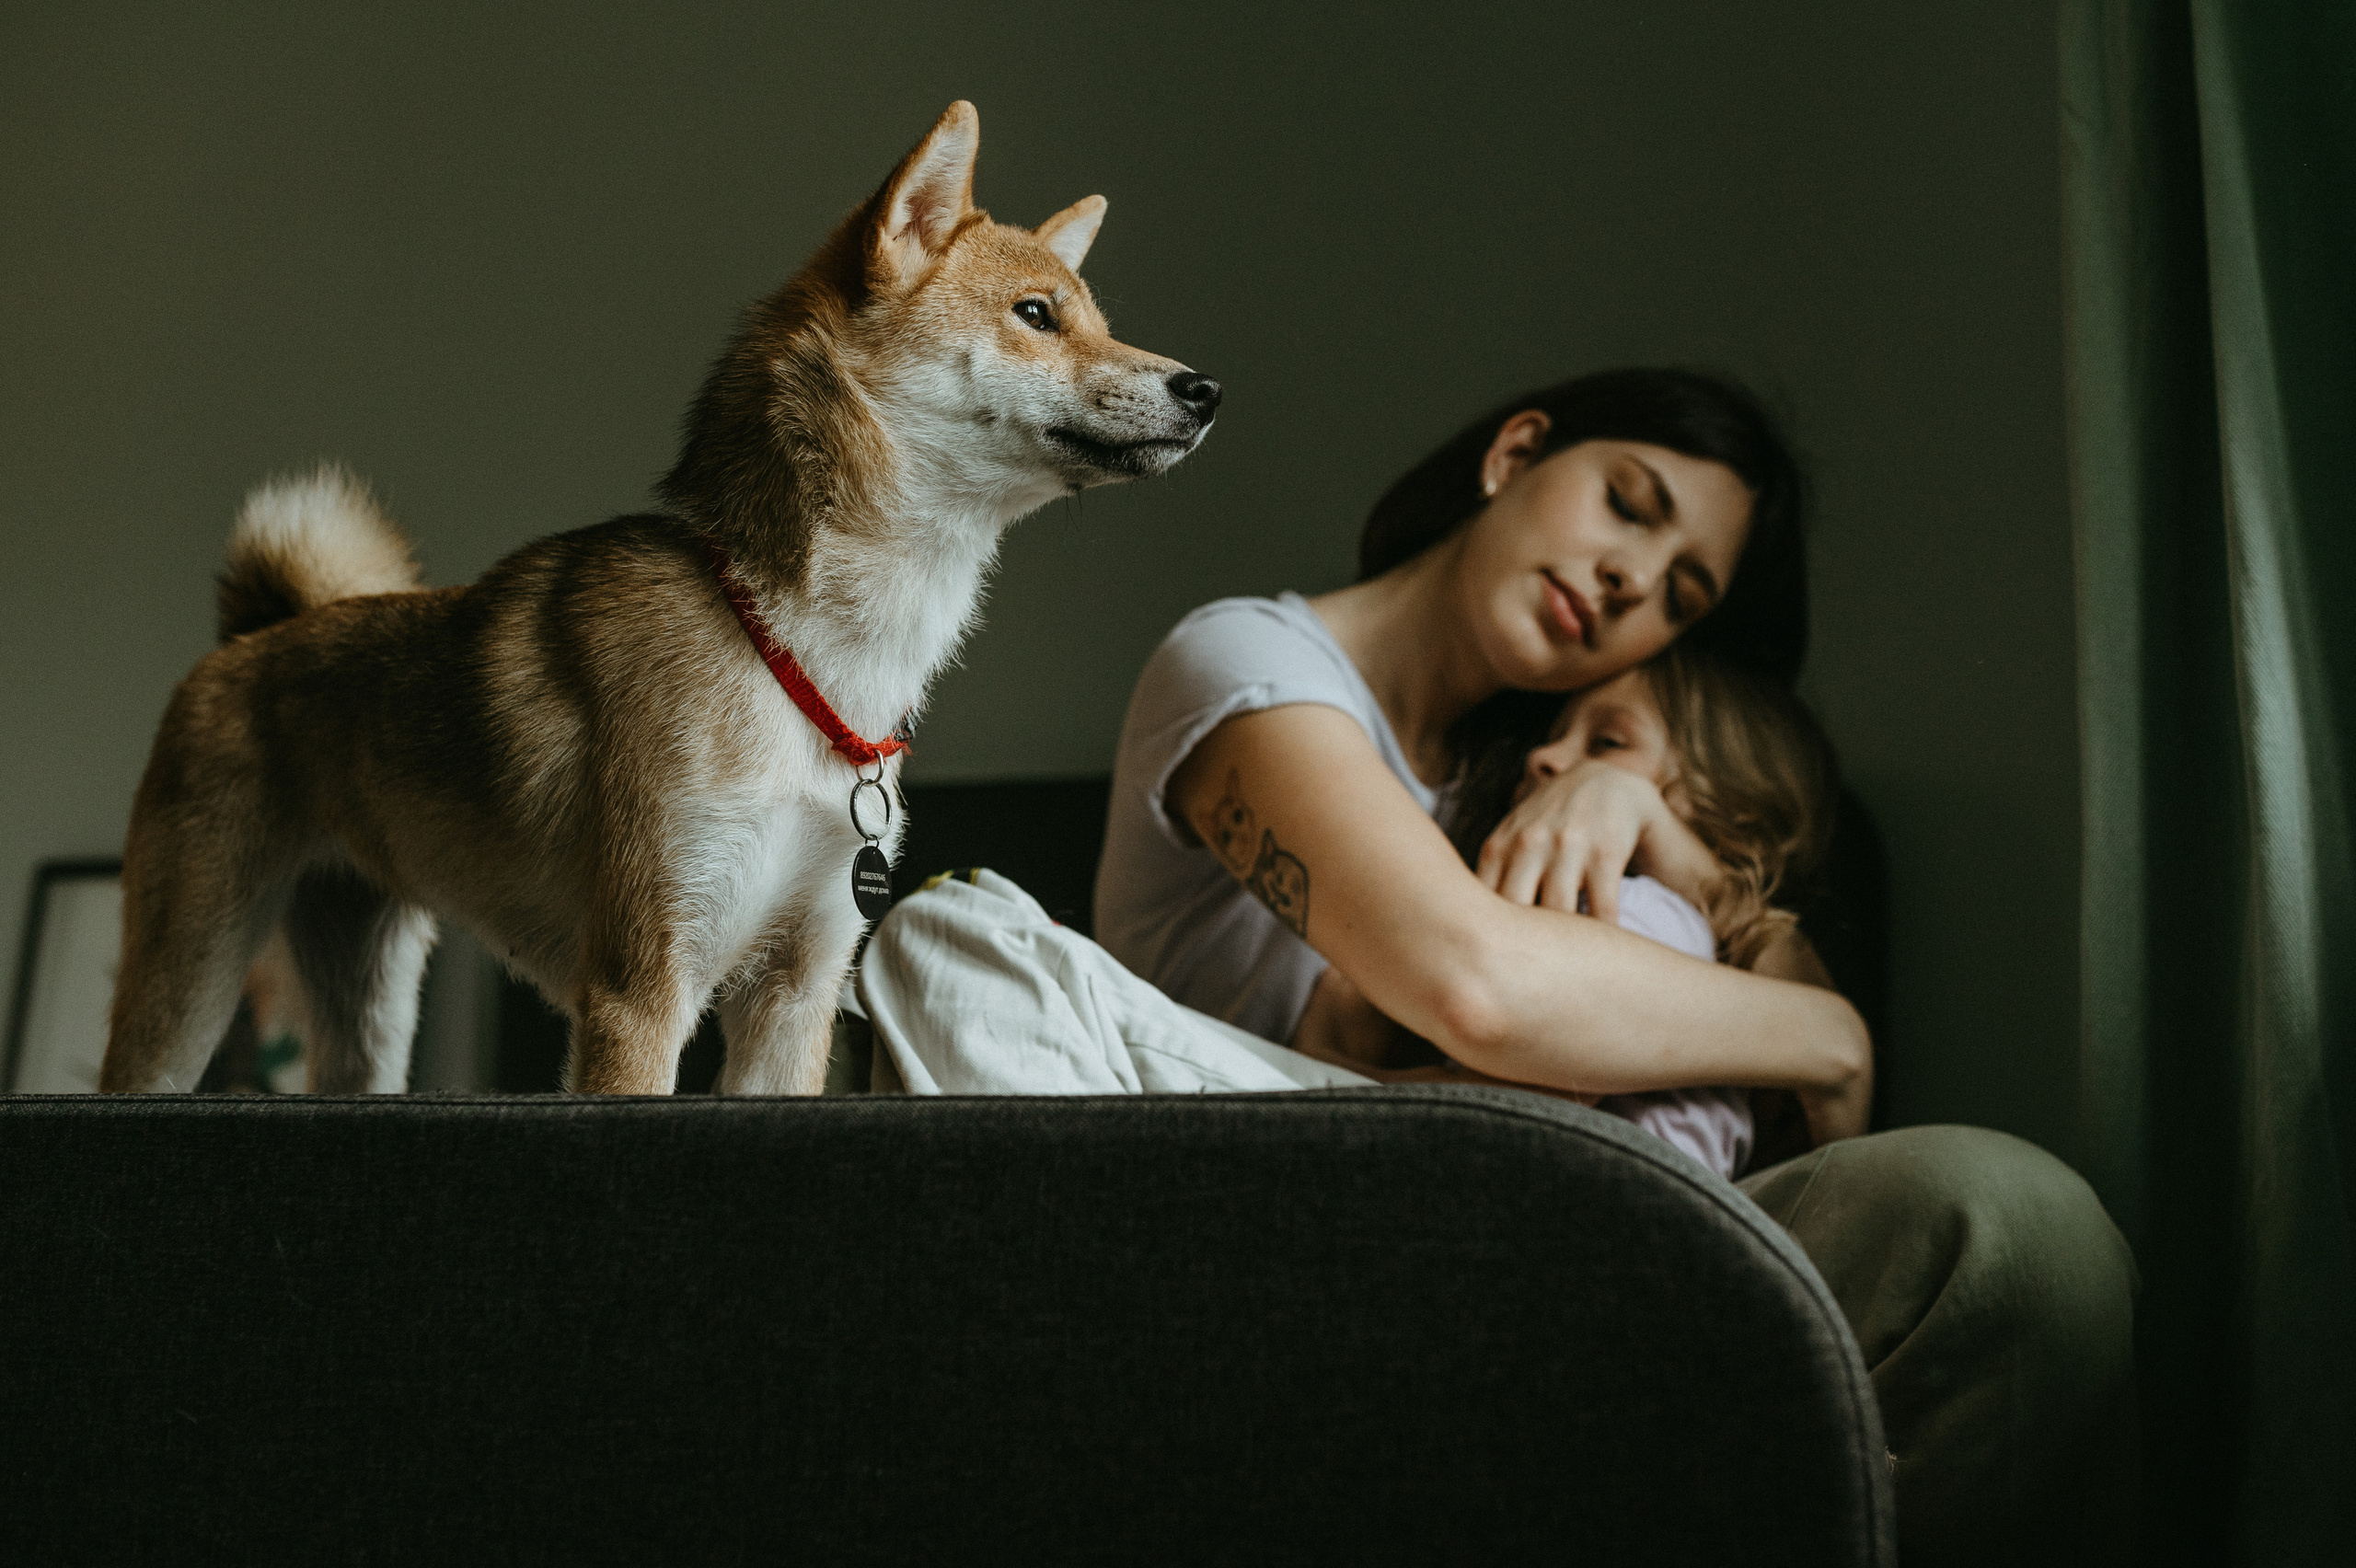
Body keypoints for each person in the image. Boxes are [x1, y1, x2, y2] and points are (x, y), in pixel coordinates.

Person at [1085, 369, 2139, 1564]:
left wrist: (1655, 822)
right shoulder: (1246, 662)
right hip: (1319, 1251)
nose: (1635, 579)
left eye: (1681, 595)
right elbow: (1476, 990)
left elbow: (1812, 1125)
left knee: (2014, 1232)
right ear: (1515, 453)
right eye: (1628, 504)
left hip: (1594, 1221)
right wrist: (1831, 1031)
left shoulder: (1563, 758)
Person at [1288, 642, 1845, 1181]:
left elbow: (1508, 1115)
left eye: (1605, 742)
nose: (1542, 757)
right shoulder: (1692, 946)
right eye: (1554, 735)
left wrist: (1327, 1067)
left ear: (1730, 810)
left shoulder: (1641, 911)